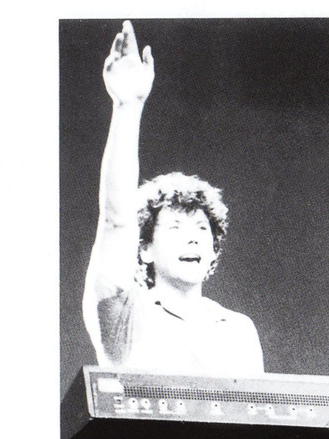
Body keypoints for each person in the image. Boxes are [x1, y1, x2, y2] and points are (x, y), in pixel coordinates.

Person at [83, 21, 264, 376]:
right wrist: (127, 107)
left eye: (201, 229)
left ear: (213, 250)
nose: (193, 237)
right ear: (145, 249)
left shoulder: (239, 330)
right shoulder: (126, 317)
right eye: (176, 227)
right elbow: (116, 220)